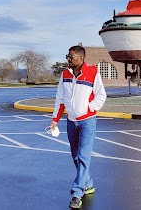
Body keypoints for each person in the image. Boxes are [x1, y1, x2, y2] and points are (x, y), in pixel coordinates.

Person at [49, 45, 106, 209]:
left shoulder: (92, 73)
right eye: (67, 56)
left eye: (71, 56)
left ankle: (77, 193)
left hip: (87, 121)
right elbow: (60, 98)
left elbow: (101, 95)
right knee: (75, 156)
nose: (68, 59)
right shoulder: (65, 74)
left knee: (83, 156)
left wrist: (90, 107)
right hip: (70, 121)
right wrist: (55, 120)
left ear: (80, 57)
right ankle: (88, 184)